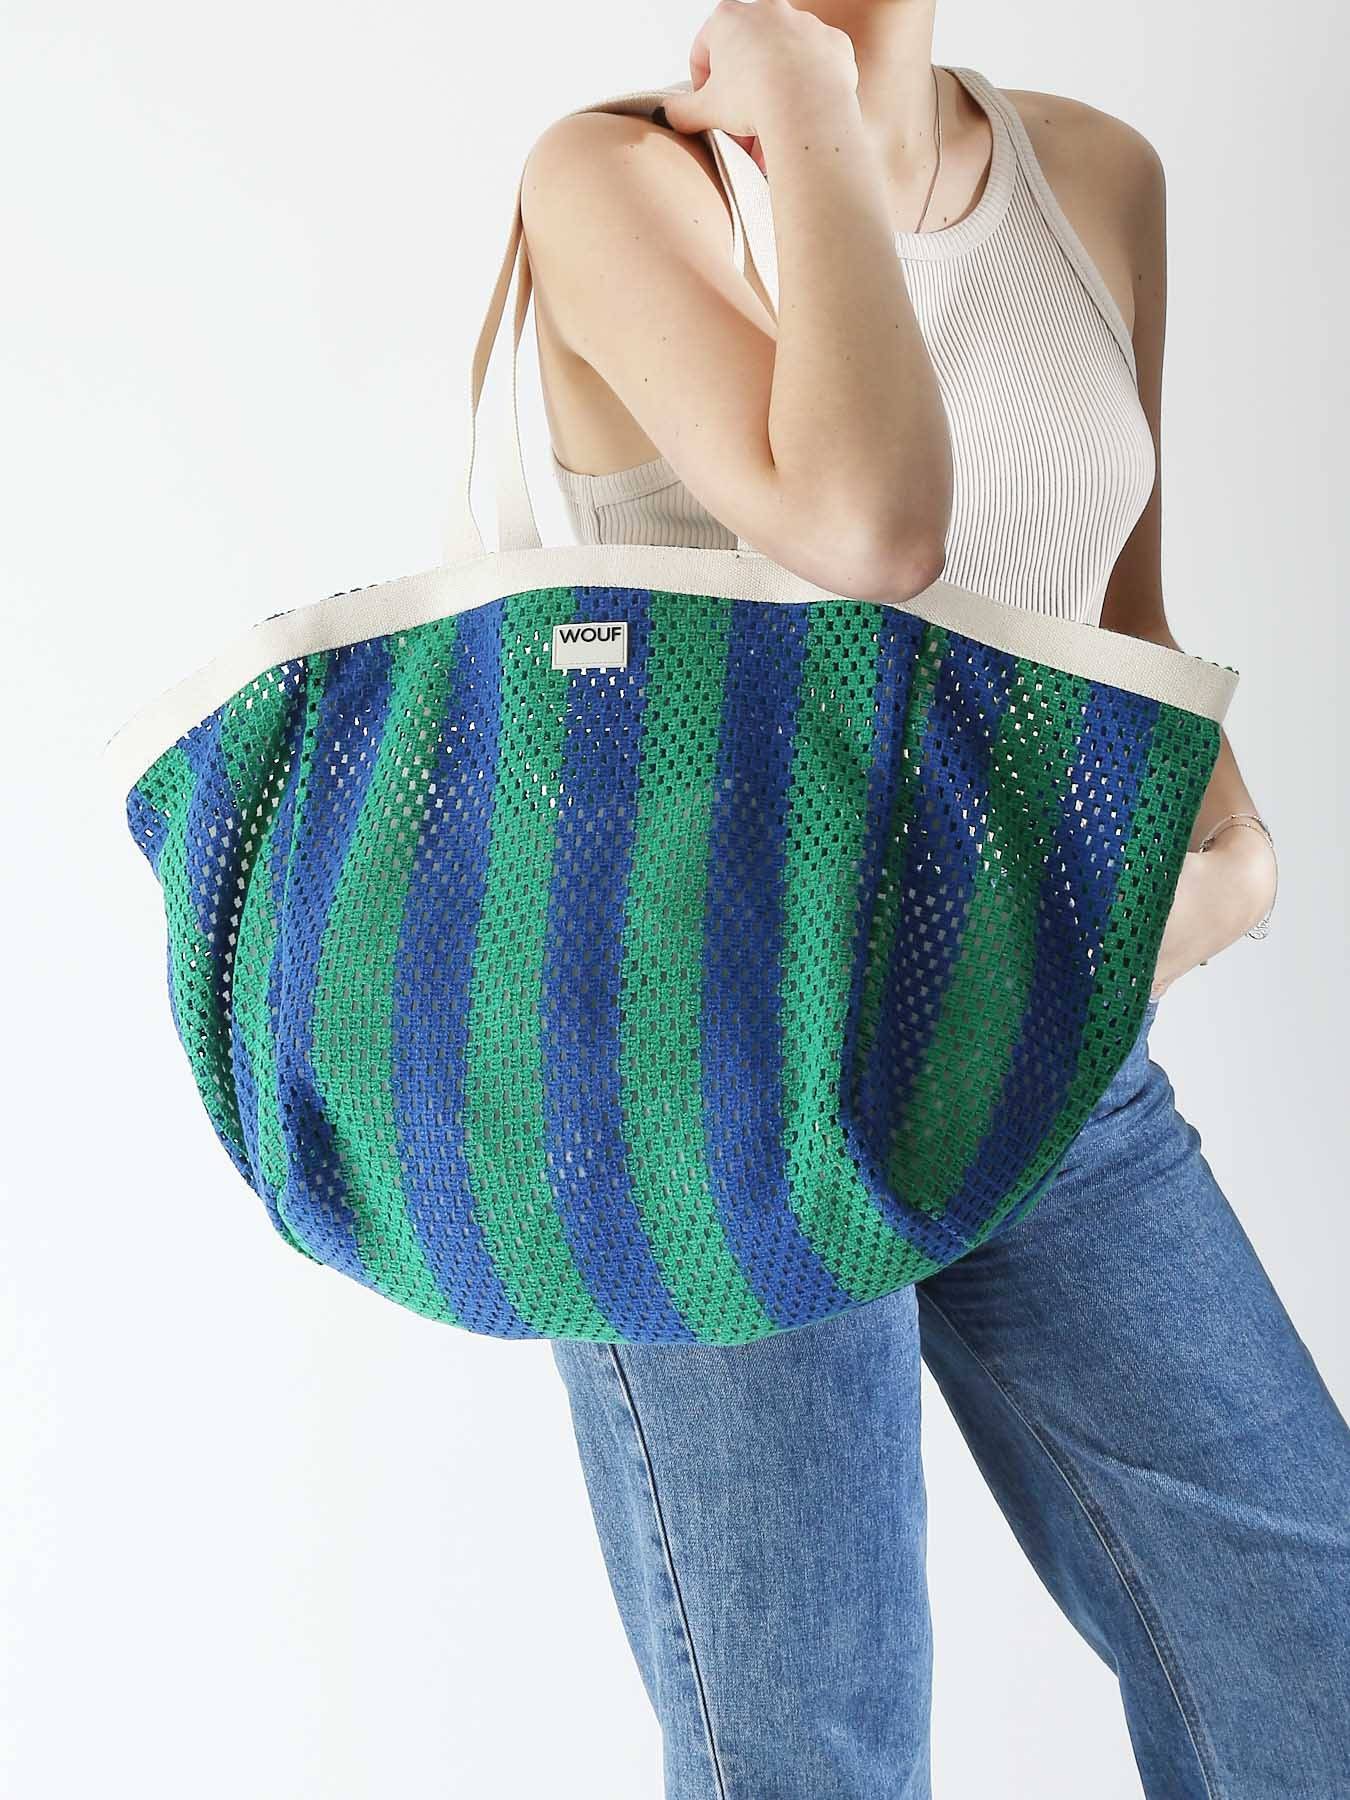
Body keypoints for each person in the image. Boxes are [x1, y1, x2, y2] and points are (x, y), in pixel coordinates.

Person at [518, 3, 1350, 1793]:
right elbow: (870, 525)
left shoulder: (1092, 175)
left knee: (1308, 1648)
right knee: (814, 1747)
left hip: (1044, 1033)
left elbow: (1114, 626)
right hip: (717, 1080)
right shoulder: (616, 183)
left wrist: (1231, 866)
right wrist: (812, 124)